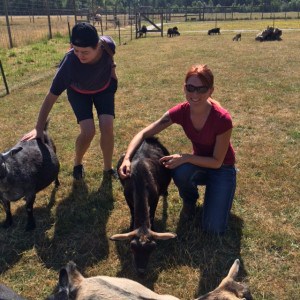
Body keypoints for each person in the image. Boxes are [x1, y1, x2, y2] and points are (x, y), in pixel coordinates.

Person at [118, 64, 236, 234]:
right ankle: (190, 201)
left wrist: (186, 157)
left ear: (211, 91)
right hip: (200, 163)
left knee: (213, 228)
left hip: (222, 168)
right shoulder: (181, 111)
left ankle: (221, 191)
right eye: (191, 88)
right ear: (184, 88)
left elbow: (217, 162)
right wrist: (128, 158)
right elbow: (143, 133)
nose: (195, 94)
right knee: (179, 169)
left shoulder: (222, 119)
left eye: (202, 89)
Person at [22, 22, 118, 180]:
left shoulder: (108, 45)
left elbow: (111, 58)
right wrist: (38, 128)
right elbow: (51, 97)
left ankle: (108, 168)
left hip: (104, 88)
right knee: (88, 131)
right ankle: (77, 163)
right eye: (76, 49)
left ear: (98, 45)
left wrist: (113, 74)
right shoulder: (69, 62)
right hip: (79, 92)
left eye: (85, 52)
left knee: (107, 126)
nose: (80, 55)